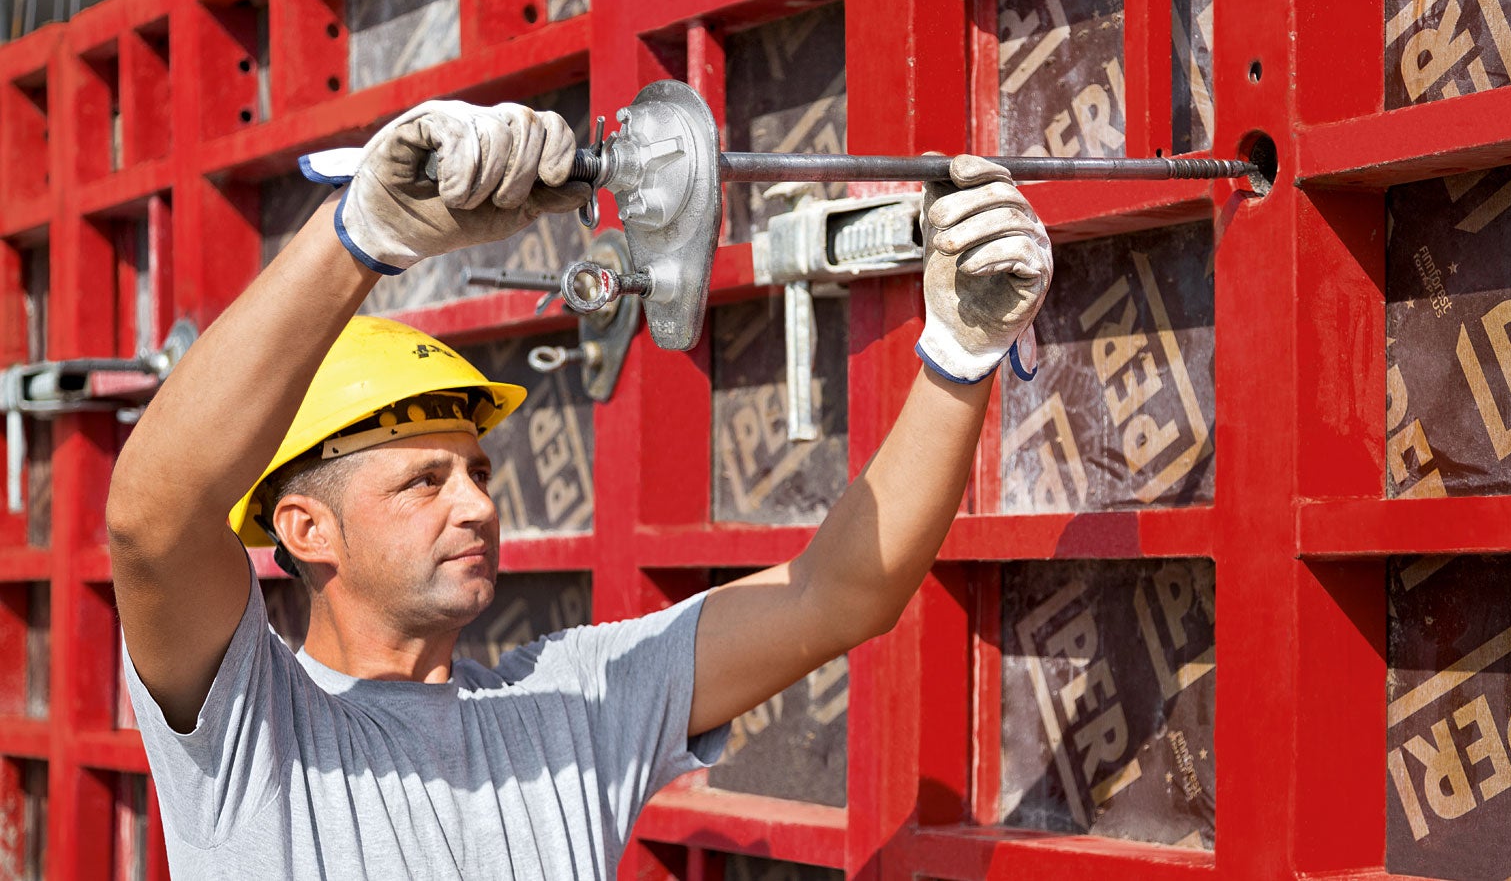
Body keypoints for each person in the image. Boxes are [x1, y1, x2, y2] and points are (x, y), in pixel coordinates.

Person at [105, 100, 1052, 879]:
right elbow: (153, 525)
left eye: (476, 471)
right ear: (308, 529)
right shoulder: (248, 732)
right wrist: (365, 235)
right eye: (423, 482)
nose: (476, 505)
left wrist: (960, 355)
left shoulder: (573, 701)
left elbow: (840, 593)